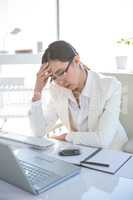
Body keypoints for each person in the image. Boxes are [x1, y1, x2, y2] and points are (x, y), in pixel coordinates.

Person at [29, 40, 128, 150]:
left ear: (76, 60)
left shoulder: (110, 86)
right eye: (54, 78)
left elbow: (103, 140)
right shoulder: (57, 89)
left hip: (113, 152)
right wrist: (37, 92)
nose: (60, 81)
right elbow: (39, 132)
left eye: (61, 72)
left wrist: (67, 136)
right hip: (81, 153)